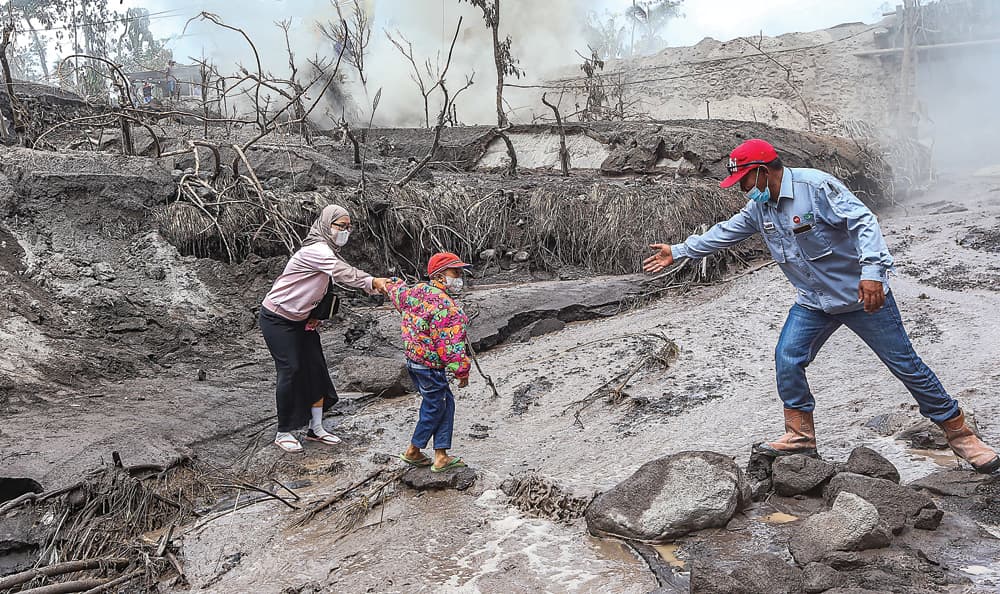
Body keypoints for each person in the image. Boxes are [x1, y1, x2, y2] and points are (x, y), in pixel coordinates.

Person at [643, 138, 999, 474]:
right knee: (788, 357)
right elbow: (726, 231)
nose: (742, 188)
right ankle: (800, 438)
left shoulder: (816, 188)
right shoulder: (760, 206)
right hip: (814, 303)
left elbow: (863, 222)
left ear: (764, 170)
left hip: (862, 297)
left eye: (744, 179)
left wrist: (873, 272)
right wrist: (678, 251)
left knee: (905, 365)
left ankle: (961, 435)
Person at [260, 205, 388, 453]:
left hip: (302, 320)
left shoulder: (329, 252)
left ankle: (316, 428)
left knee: (316, 369)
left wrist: (315, 315)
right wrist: (372, 282)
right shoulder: (316, 251)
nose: (345, 231)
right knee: (291, 369)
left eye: (348, 227)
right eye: (341, 226)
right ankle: (283, 431)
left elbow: (324, 286)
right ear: (326, 225)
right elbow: (342, 273)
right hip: (277, 318)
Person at [385, 252, 472, 473]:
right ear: (440, 276)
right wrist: (462, 370)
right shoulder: (446, 307)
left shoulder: (417, 291)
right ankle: (413, 451)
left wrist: (388, 283)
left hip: (413, 360)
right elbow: (450, 346)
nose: (459, 277)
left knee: (443, 401)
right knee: (435, 406)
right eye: (455, 272)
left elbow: (398, 292)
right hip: (429, 365)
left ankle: (441, 455)